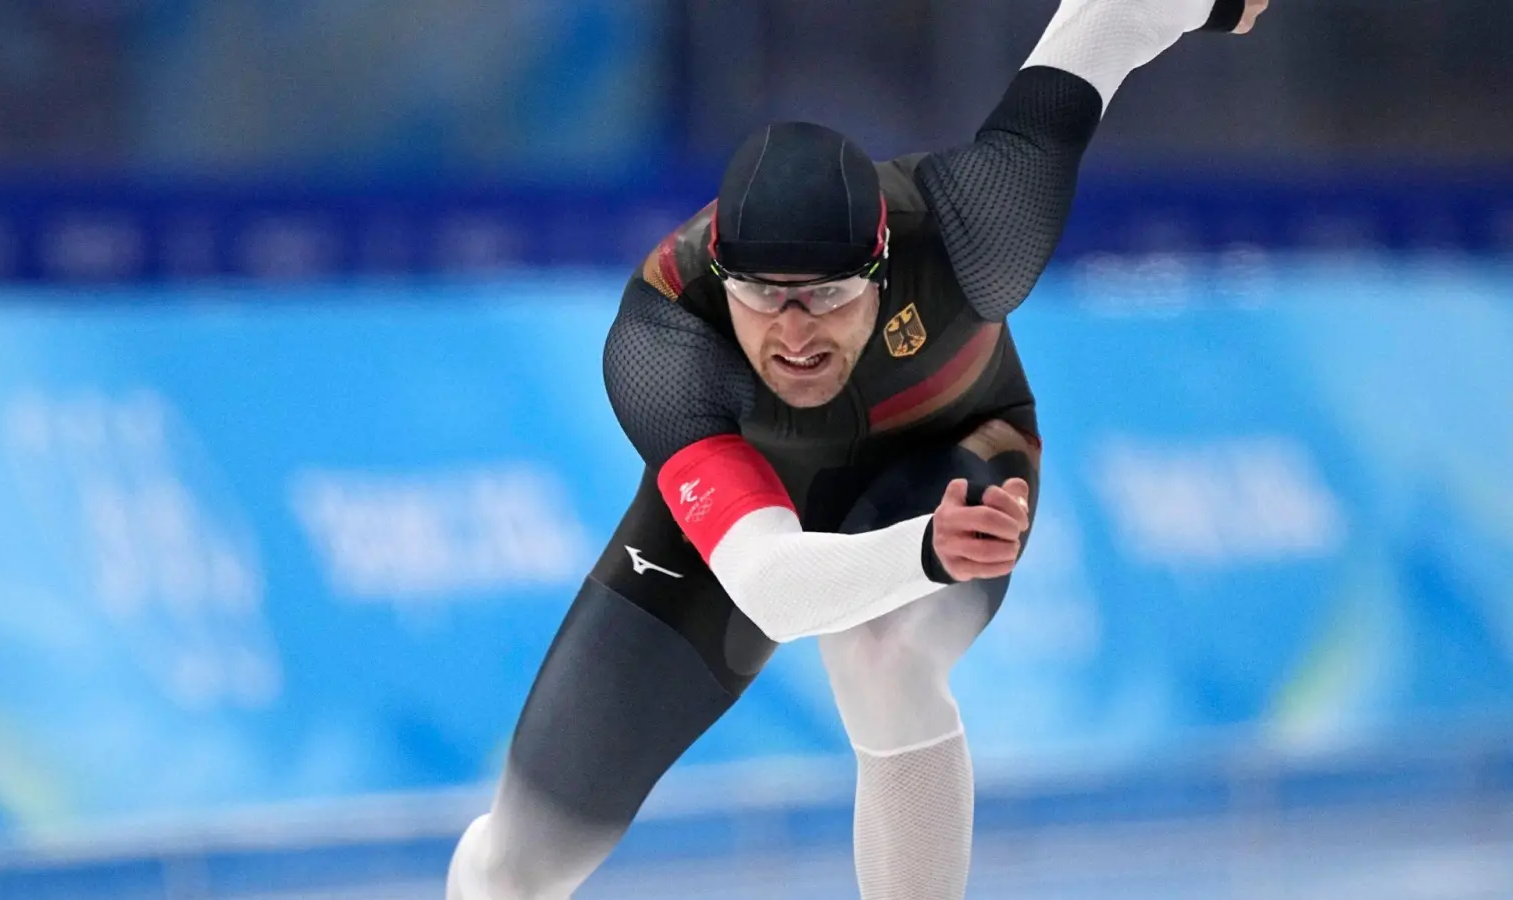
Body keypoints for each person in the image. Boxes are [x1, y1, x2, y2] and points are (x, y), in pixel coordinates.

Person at [447, 0, 1270, 897]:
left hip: (946, 455)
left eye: (830, 294)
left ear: (883, 268)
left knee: (886, 652)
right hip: (759, 502)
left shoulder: (972, 231)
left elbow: (1102, 26)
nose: (794, 333)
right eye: (762, 297)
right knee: (517, 867)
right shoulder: (667, 338)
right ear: (723, 282)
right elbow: (769, 584)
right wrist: (924, 553)